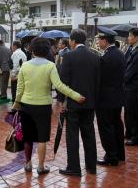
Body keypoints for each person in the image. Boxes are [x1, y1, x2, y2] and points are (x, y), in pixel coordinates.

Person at [12, 37, 85, 175]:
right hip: (43, 107)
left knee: (27, 137)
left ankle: (27, 164)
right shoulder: (50, 66)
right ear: (47, 50)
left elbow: (20, 88)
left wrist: (16, 104)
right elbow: (59, 86)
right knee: (41, 138)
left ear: (32, 50)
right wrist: (76, 95)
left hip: (26, 106)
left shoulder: (25, 66)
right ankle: (40, 166)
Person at [58, 29, 100, 177]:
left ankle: (74, 168)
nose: (69, 42)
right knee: (89, 134)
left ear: (73, 41)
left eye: (70, 39)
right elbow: (98, 82)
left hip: (74, 103)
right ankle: (91, 166)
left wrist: (62, 101)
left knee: (72, 136)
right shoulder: (95, 57)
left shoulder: (69, 57)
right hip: (90, 103)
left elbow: (64, 81)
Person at [95, 28, 126, 166]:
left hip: (105, 99)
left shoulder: (106, 57)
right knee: (117, 125)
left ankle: (111, 156)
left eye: (99, 40)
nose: (98, 42)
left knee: (106, 127)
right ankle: (119, 154)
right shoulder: (120, 54)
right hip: (117, 97)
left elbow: (100, 79)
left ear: (105, 41)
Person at [10, 41, 27, 107]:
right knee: (20, 90)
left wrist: (13, 75)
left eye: (12, 45)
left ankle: (15, 106)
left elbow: (16, 65)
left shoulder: (16, 53)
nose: (11, 47)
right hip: (22, 74)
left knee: (15, 91)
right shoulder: (23, 53)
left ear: (15, 46)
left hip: (17, 75)